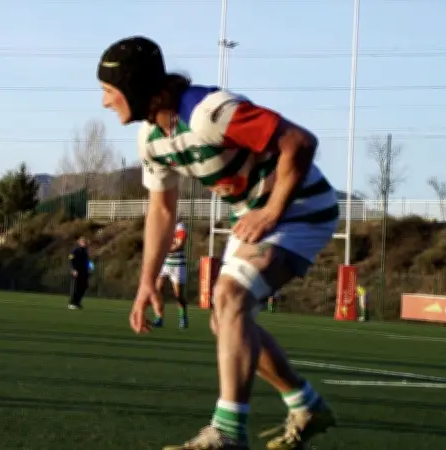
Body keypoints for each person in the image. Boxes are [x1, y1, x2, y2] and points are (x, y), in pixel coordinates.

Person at [97, 36, 337, 450]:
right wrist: (146, 283)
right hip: (254, 215)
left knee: (229, 299)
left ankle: (226, 434)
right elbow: (161, 211)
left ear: (134, 87)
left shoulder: (211, 113)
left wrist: (272, 211)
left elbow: (300, 141)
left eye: (109, 91)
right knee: (222, 319)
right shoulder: (151, 140)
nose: (104, 102)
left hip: (300, 209)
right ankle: (306, 404)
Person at [152, 219, 189, 329]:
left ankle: (183, 317)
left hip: (178, 264)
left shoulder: (180, 226)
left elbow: (180, 244)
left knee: (178, 295)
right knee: (158, 290)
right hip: (164, 263)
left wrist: (165, 250)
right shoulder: (164, 224)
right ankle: (159, 317)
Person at [68, 236, 90, 310]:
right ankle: (72, 303)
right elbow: (71, 259)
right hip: (77, 272)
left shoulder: (85, 251)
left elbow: (87, 262)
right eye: (82, 242)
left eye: (85, 242)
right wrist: (73, 269)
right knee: (75, 288)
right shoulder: (76, 250)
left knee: (83, 287)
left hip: (84, 272)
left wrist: (89, 268)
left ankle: (77, 302)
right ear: (79, 242)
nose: (84, 243)